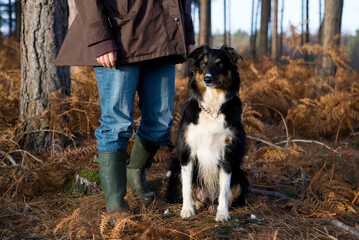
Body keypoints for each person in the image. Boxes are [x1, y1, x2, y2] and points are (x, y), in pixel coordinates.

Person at [55, 0, 194, 215]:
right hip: (118, 35)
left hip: (162, 36)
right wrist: (101, 39)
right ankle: (116, 205)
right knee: (116, 125)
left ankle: (135, 171)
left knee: (160, 123)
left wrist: (186, 32)